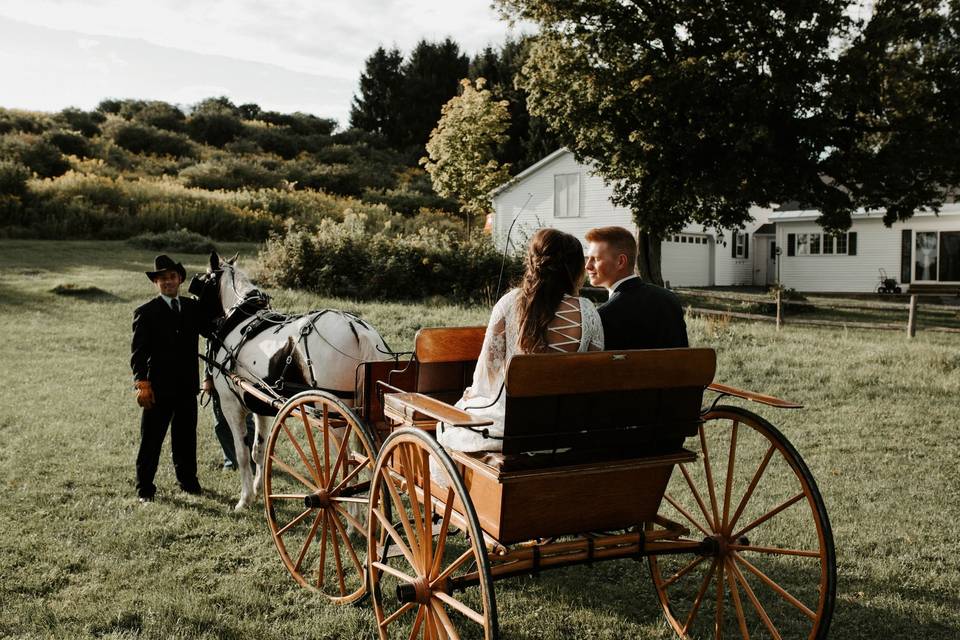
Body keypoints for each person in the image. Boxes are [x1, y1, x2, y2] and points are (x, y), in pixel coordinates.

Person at [438, 228, 604, 453]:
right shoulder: (588, 311)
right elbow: (593, 374)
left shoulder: (509, 303)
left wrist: (473, 394)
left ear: (532, 262)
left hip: (511, 427)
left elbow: (488, 373)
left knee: (447, 422)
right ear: (574, 269)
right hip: (564, 430)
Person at [130, 254, 205, 502]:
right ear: (156, 283)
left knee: (186, 438)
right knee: (151, 440)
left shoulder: (194, 308)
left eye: (172, 277)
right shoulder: (146, 312)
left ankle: (188, 481)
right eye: (162, 278)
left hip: (186, 387)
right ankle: (145, 489)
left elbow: (212, 329)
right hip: (158, 389)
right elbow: (138, 353)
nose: (168, 282)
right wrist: (142, 384)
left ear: (179, 279)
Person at [584, 226, 688, 350]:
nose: (587, 266)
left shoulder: (603, 315)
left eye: (595, 259)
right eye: (587, 258)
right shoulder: (670, 299)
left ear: (620, 262)